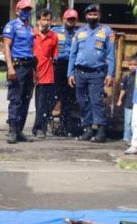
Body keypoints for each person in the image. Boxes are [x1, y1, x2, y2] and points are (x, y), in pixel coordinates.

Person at [67, 4, 115, 143]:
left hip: (97, 73)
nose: (92, 17)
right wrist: (70, 73)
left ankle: (101, 131)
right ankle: (88, 129)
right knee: (82, 102)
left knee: (96, 102)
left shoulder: (107, 32)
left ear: (99, 16)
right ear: (86, 16)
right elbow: (73, 54)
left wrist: (110, 74)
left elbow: (111, 55)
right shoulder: (79, 32)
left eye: (95, 15)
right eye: (90, 15)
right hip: (80, 72)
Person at [3, 0, 35, 144]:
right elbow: (7, 47)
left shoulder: (31, 28)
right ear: (17, 11)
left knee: (26, 99)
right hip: (17, 66)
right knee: (15, 99)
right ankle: (12, 130)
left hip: (29, 67)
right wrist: (10, 67)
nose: (26, 12)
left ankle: (19, 130)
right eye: (23, 9)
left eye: (28, 9)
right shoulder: (12, 26)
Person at [32, 8, 58, 139]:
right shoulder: (31, 34)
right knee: (21, 101)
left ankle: (40, 128)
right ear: (38, 20)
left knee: (42, 104)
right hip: (30, 73)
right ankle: (15, 127)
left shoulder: (54, 36)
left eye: (48, 20)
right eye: (43, 19)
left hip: (46, 74)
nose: (46, 22)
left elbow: (54, 56)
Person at [52, 8, 79, 137]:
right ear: (64, 19)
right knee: (54, 96)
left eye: (73, 19)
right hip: (58, 67)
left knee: (69, 98)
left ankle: (66, 126)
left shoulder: (79, 33)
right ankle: (46, 124)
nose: (71, 21)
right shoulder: (55, 31)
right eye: (69, 19)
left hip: (72, 68)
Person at [117, 57, 137, 143]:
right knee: (127, 121)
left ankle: (134, 138)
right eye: (131, 65)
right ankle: (126, 138)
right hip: (128, 102)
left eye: (134, 65)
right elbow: (123, 89)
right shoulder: (127, 76)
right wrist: (120, 99)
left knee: (135, 122)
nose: (132, 67)